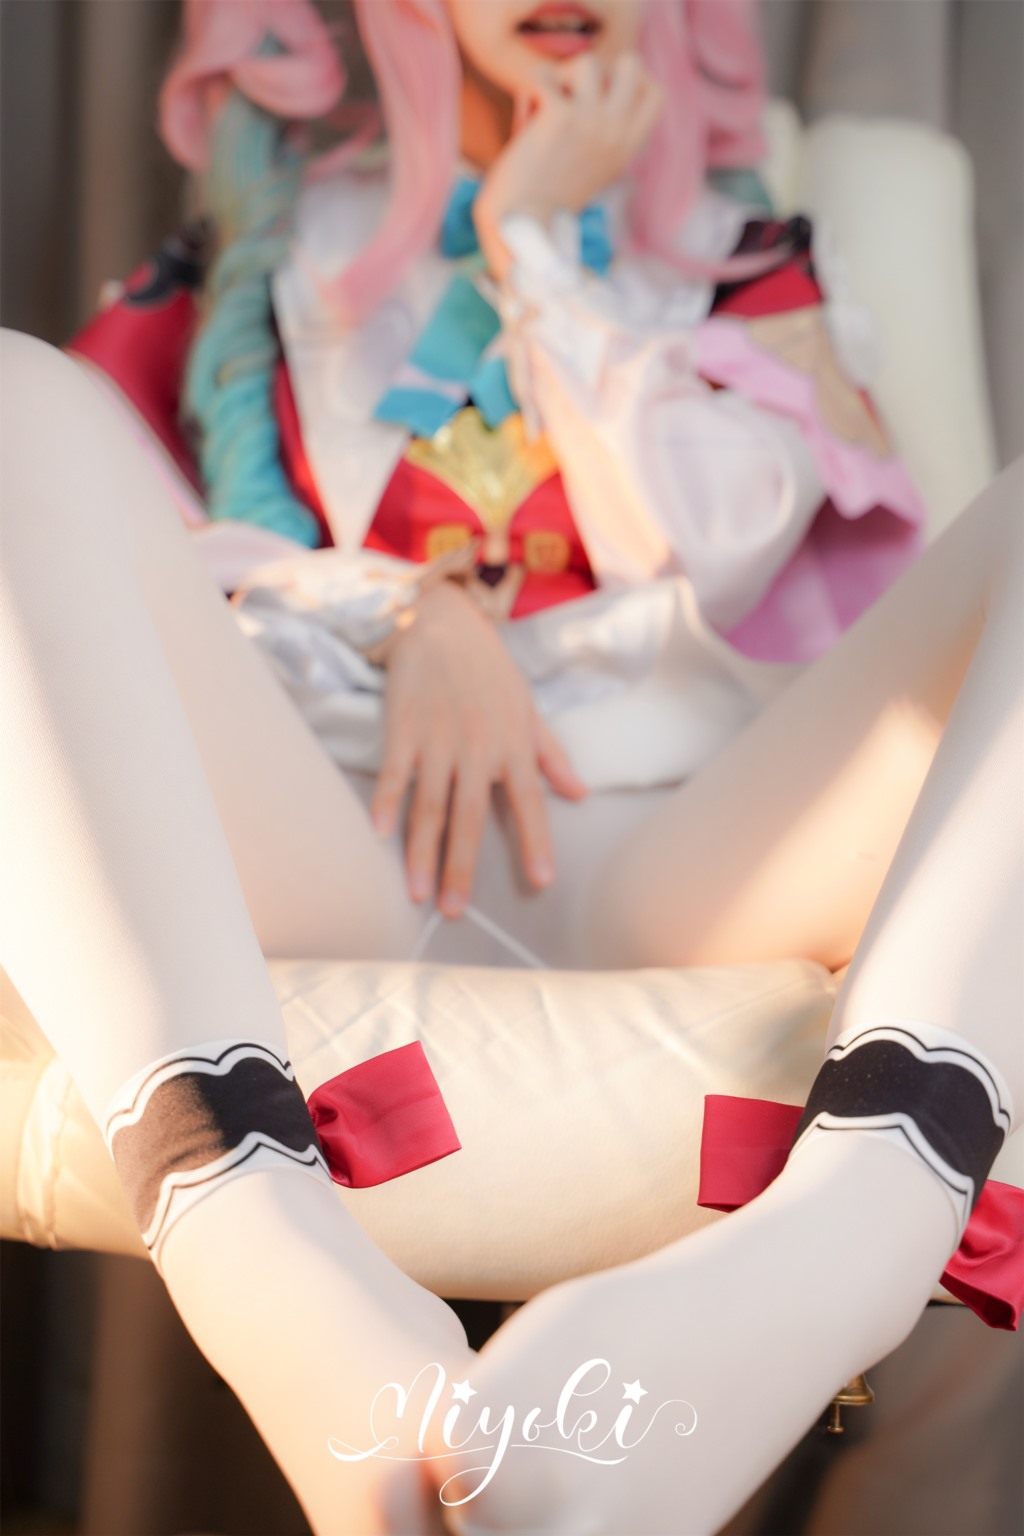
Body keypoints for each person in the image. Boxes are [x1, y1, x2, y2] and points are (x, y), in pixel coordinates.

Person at [0, 1, 1019, 1533]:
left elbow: (726, 546)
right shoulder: (263, 268)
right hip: (338, 840)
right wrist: (410, 612)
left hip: (683, 864)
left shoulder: (742, 265)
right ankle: (245, 1226)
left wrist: (536, 245)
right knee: (10, 401)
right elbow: (102, 575)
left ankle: (860, 1233)